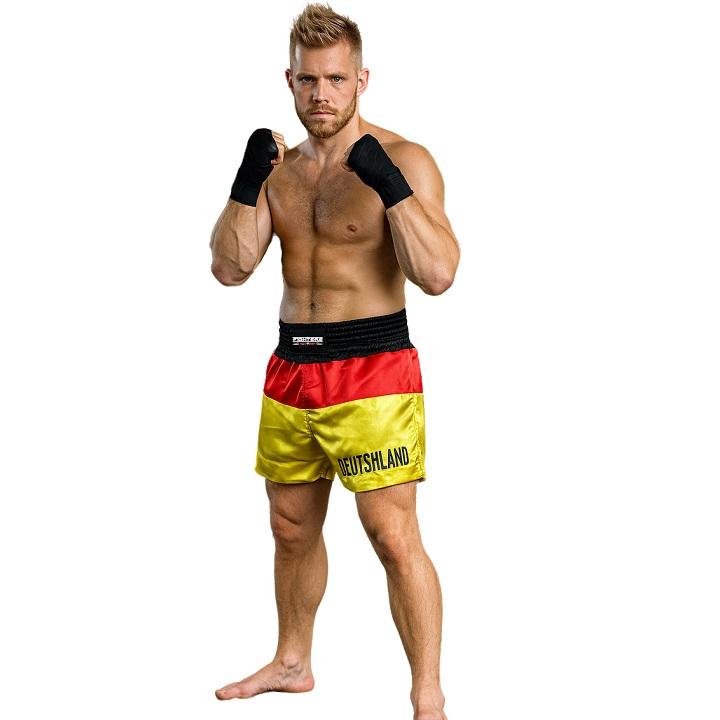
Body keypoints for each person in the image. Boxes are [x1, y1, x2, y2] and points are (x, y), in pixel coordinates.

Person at [209, 4, 459, 719]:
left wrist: (390, 184)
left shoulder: (405, 158)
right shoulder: (280, 171)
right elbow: (229, 269)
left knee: (392, 536)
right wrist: (245, 183)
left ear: (362, 80)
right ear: (289, 80)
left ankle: (428, 695)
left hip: (373, 367)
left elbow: (438, 274)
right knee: (289, 527)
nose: (322, 94)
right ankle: (292, 661)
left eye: (336, 79)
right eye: (309, 80)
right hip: (292, 367)